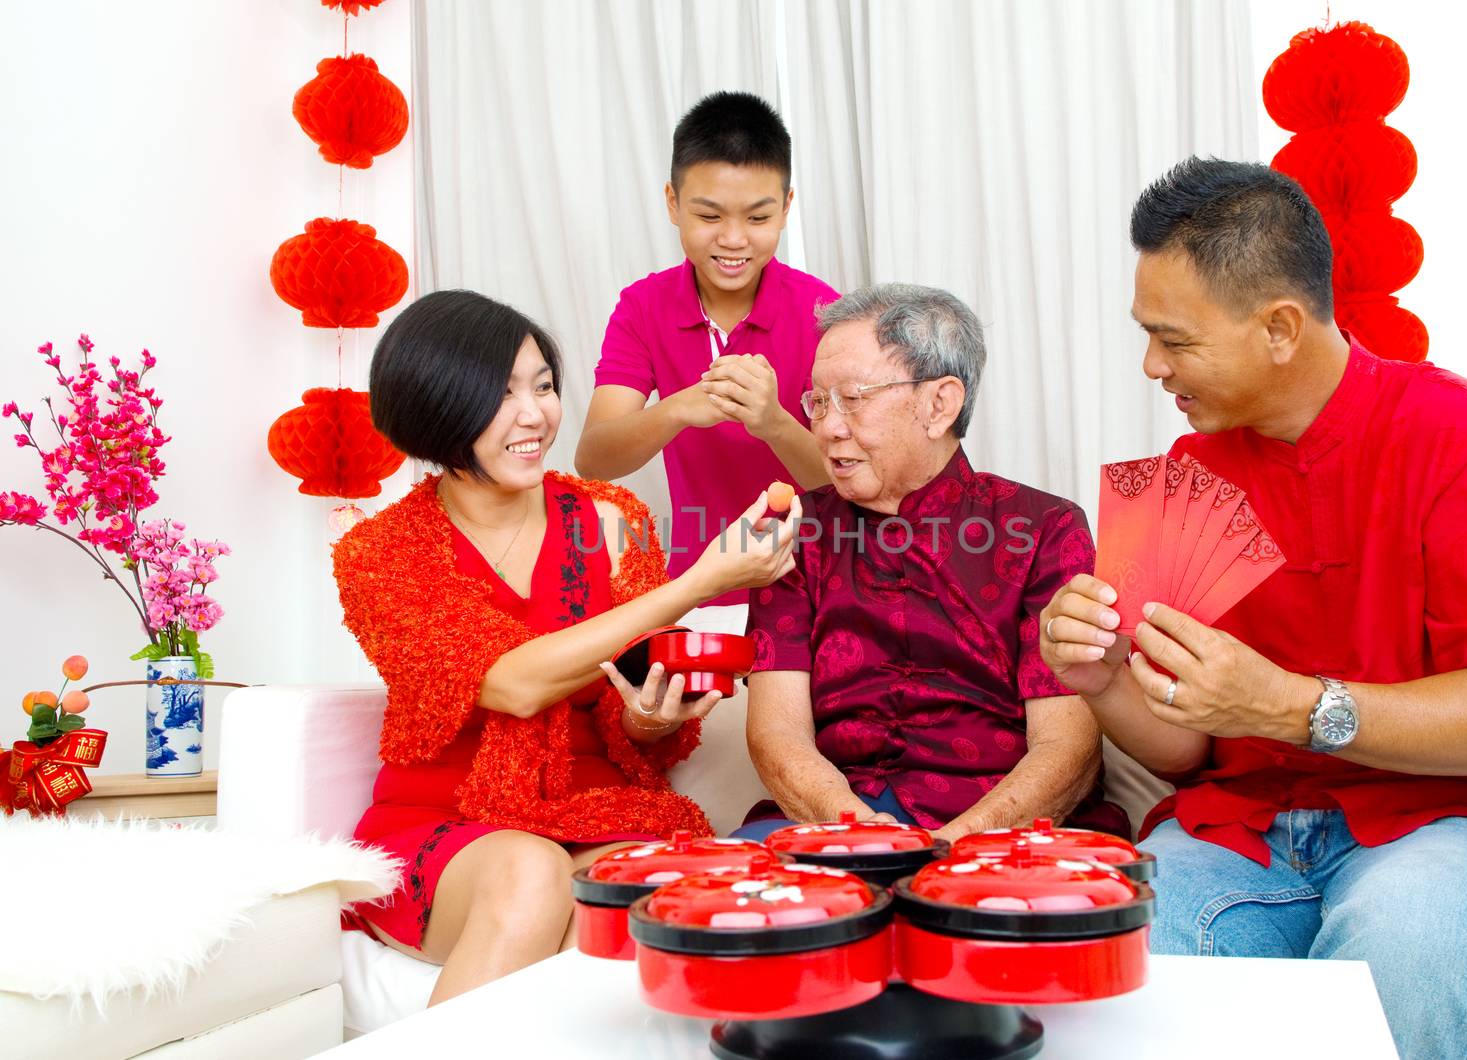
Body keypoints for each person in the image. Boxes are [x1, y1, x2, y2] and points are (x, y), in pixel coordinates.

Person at [1039, 157, 1467, 1059]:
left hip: (1447, 829)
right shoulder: (1187, 475)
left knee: (1404, 951)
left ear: (1280, 328)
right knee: (1113, 955)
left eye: (1173, 340)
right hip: (1242, 833)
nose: (1152, 366)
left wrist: (1293, 707)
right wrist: (1101, 678)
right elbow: (1186, 748)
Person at [333, 290, 799, 1005]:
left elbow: (636, 726)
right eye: (500, 393)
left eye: (543, 387)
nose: (535, 414)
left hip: (595, 813)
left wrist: (651, 717)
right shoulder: (380, 552)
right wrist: (700, 581)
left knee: (655, 897)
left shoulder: (616, 520)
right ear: (434, 406)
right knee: (530, 874)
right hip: (448, 824)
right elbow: (511, 684)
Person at [737, 283, 1127, 842]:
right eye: (818, 402)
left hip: (999, 828)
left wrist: (958, 843)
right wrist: (854, 828)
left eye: (853, 397)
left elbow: (1068, 744)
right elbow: (777, 733)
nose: (826, 427)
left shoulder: (1045, 529)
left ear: (939, 404)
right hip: (829, 822)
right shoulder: (795, 531)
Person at [575, 90, 837, 622]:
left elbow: (850, 482)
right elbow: (594, 459)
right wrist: (678, 408)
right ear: (672, 203)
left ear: (787, 208)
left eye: (758, 217)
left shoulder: (823, 311)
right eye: (709, 215)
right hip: (699, 594)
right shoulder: (643, 307)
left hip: (819, 593)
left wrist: (774, 424)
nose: (734, 240)